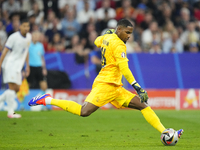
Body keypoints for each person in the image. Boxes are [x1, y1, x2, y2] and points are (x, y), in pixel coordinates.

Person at [28, 19, 183, 139]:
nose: (129, 36)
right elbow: (124, 68)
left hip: (116, 86)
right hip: (105, 84)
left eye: (131, 33)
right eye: (127, 32)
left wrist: (107, 34)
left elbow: (96, 40)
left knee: (143, 105)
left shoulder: (107, 37)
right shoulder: (120, 45)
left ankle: (166, 132)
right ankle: (48, 100)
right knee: (84, 111)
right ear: (119, 30)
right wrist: (137, 86)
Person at [0, 18, 31, 118]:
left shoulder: (29, 37)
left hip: (18, 67)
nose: (26, 28)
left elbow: (26, 51)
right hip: (10, 64)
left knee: (17, 89)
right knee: (12, 88)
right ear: (20, 26)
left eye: (28, 26)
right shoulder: (13, 37)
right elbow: (4, 52)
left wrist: (27, 65)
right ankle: (10, 112)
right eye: (24, 26)